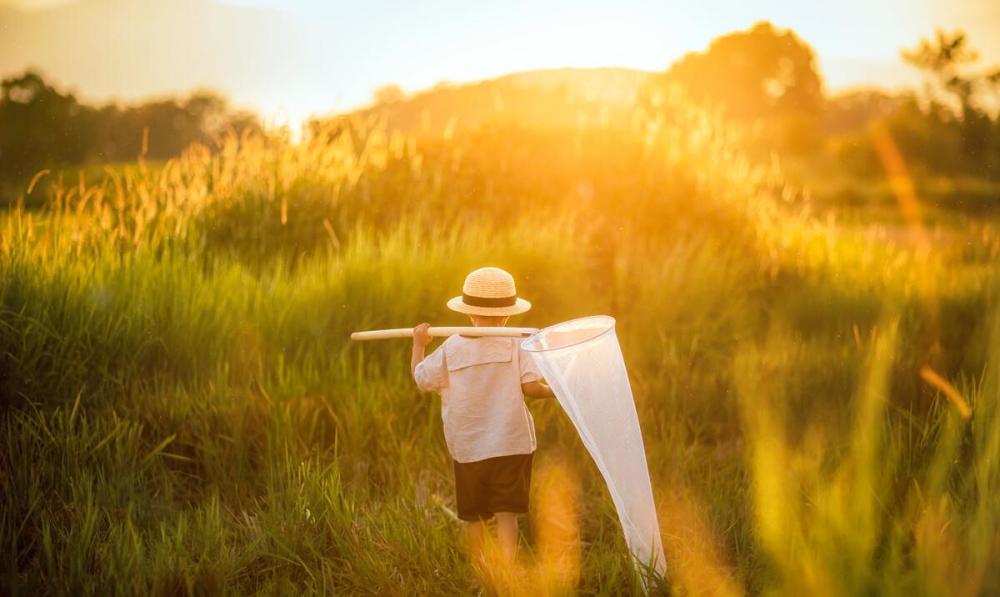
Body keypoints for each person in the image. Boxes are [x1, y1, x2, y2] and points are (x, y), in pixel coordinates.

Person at [410, 266, 554, 575]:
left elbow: (421, 379)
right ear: (506, 315)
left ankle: (480, 570)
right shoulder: (518, 343)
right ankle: (509, 571)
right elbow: (531, 388)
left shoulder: (451, 347)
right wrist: (558, 392)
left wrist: (419, 344)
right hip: (510, 444)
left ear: (469, 313)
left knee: (473, 516)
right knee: (506, 513)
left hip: (469, 447)